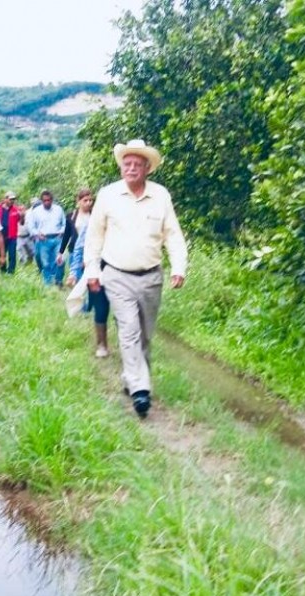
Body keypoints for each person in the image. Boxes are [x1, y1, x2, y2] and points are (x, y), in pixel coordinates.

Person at [84, 140, 188, 418]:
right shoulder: (107, 195)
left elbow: (173, 234)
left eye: (136, 165)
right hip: (116, 275)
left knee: (144, 335)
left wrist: (179, 266)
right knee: (128, 329)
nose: (131, 168)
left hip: (152, 276)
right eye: (126, 164)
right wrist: (92, 271)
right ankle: (142, 391)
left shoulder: (161, 196)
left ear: (146, 169)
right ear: (121, 167)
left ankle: (132, 380)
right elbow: (94, 237)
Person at [63, 189, 112, 358]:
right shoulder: (91, 224)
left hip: (119, 270)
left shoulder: (122, 225)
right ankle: (102, 344)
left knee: (122, 307)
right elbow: (78, 249)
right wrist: (73, 272)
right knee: (101, 306)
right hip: (96, 268)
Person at [27, 189, 66, 286]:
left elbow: (64, 224)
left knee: (60, 261)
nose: (47, 202)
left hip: (57, 238)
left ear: (52, 200)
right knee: (45, 263)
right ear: (41, 201)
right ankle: (48, 284)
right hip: (43, 240)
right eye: (44, 200)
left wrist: (62, 231)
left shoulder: (58, 209)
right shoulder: (36, 212)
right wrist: (37, 234)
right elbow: (31, 226)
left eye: (49, 200)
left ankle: (58, 280)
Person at [0, 191, 21, 274]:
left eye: (13, 199)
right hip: (0, 236)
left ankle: (11, 271)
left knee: (12, 254)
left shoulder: (16, 210)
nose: (12, 201)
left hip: (12, 236)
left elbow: (20, 221)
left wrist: (22, 215)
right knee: (1, 254)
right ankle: (3, 270)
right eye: (10, 199)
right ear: (5, 199)